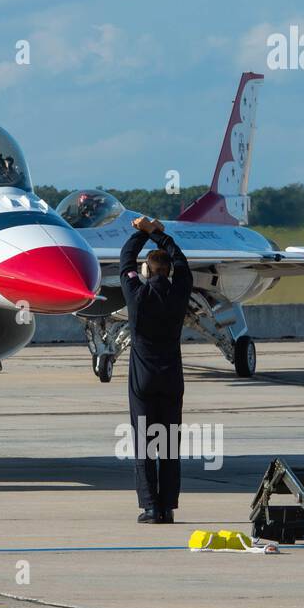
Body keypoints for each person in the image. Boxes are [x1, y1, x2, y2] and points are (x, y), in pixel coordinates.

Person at [119, 216, 193, 523]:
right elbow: (182, 263)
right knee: (170, 444)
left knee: (145, 444)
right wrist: (161, 236)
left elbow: (125, 262)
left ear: (146, 271)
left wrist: (142, 232)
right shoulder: (180, 293)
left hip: (143, 378)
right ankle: (168, 507)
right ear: (170, 272)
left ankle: (151, 507)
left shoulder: (137, 295)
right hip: (172, 377)